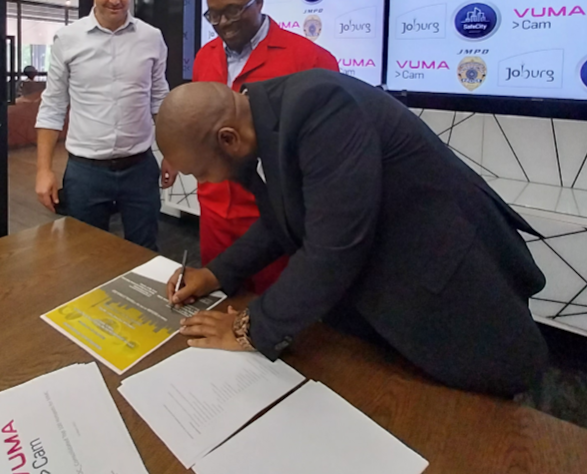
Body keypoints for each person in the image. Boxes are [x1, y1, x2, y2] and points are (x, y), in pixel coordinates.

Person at [155, 70, 548, 396]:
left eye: (199, 172)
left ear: (228, 138)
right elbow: (285, 219)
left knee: (474, 419)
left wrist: (249, 328)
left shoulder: (320, 108)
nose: (203, 181)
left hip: (449, 284)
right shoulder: (260, 121)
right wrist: (216, 274)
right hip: (383, 295)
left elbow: (333, 247)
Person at [194, 0, 339, 294]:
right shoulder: (205, 57)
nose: (223, 23)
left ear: (259, 3)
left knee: (271, 315)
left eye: (232, 11)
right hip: (214, 212)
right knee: (214, 304)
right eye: (213, 15)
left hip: (272, 221)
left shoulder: (310, 60)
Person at [35, 0, 176, 251]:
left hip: (139, 168)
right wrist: (43, 170)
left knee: (145, 251)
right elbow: (53, 106)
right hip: (86, 173)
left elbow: (159, 100)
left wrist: (172, 154)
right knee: (85, 255)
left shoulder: (152, 38)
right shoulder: (68, 39)